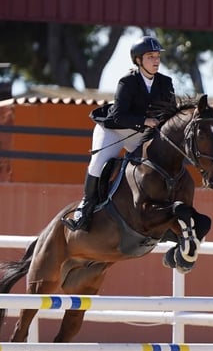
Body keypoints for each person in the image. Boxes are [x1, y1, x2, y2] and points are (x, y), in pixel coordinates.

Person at [62, 35, 176, 232]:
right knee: (99, 163)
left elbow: (171, 112)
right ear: (138, 60)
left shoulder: (165, 83)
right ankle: (85, 208)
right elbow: (117, 117)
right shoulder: (127, 81)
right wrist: (145, 120)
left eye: (157, 56)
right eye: (150, 56)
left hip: (141, 133)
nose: (156, 60)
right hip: (114, 130)